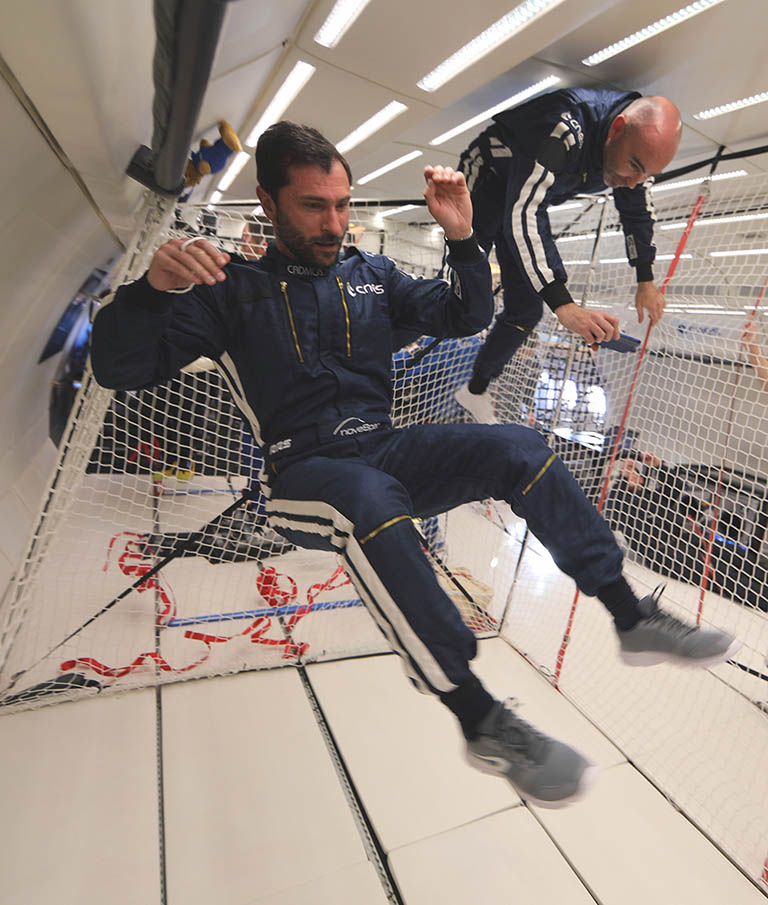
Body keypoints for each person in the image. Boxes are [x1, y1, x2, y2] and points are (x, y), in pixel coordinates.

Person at [91, 121, 739, 808]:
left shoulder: (370, 274)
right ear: (268, 201)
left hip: (385, 447)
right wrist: (151, 293)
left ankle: (628, 612)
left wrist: (463, 238)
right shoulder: (230, 290)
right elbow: (118, 366)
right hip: (305, 473)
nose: (334, 222)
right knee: (369, 499)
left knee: (519, 446)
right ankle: (479, 717)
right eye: (315, 205)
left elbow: (464, 315)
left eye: (343, 204)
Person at [455, 87, 681, 424]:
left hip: (526, 200)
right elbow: (523, 214)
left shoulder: (636, 163)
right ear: (616, 129)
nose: (636, 182)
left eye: (646, 175)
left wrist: (645, 279)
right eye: (635, 166)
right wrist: (565, 305)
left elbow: (637, 215)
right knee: (462, 297)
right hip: (490, 181)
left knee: (526, 311)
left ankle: (474, 390)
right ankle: (382, 346)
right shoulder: (563, 129)